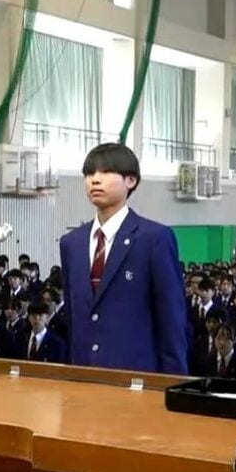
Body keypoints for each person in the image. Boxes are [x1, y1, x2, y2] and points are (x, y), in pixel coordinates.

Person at [59, 144, 187, 374]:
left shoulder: (154, 238)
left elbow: (172, 321)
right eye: (89, 173)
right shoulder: (72, 243)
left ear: (131, 180)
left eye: (106, 172)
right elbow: (72, 321)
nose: (95, 180)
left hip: (135, 379)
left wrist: (171, 383)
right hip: (83, 377)